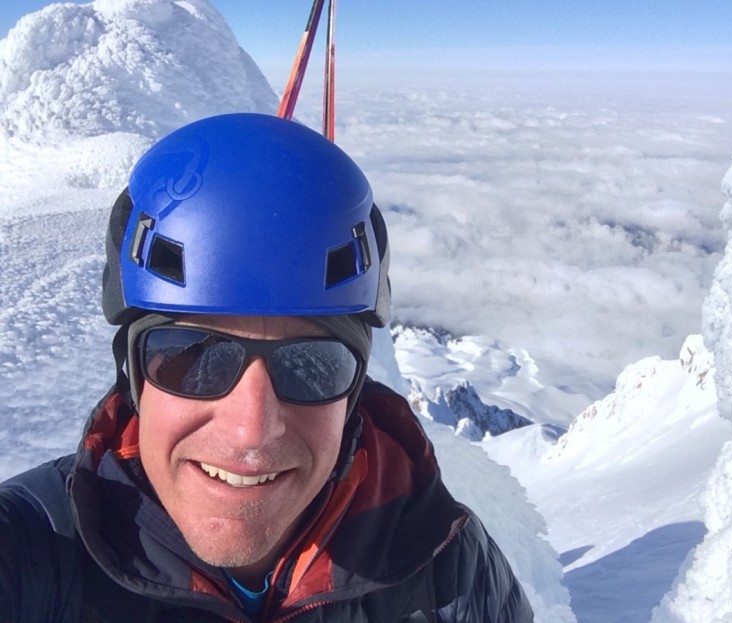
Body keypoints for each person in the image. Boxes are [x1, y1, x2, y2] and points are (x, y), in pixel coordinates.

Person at [0, 113, 533, 622]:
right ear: (135, 379)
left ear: (352, 396)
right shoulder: (36, 550)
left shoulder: (447, 566)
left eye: (311, 367)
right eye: (196, 360)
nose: (252, 430)